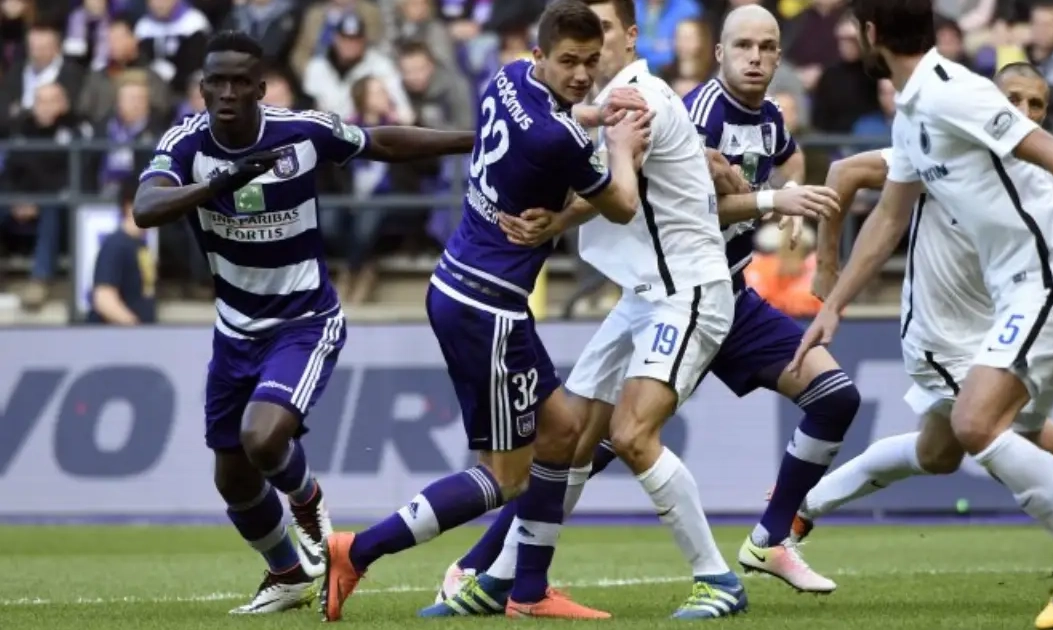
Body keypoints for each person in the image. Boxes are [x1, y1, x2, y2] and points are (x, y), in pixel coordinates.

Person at [789, 2, 1053, 628]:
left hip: (1049, 283)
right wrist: (834, 304)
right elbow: (890, 217)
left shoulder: (952, 92)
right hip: (1018, 295)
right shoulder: (915, 109)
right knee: (1005, 440)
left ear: (871, 34)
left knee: (978, 424)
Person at [433, 4, 853, 603]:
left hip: (697, 291)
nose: (589, 48)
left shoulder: (650, 102)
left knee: (629, 436)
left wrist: (773, 195)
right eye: (744, 45)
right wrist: (758, 192)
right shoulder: (645, 104)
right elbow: (631, 180)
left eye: (603, 31)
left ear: (630, 38)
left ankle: (734, 565)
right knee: (571, 440)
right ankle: (496, 574)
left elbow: (625, 194)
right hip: (653, 292)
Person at [317, 1, 649, 621]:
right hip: (486, 304)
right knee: (506, 475)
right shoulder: (558, 138)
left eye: (590, 61)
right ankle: (357, 551)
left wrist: (594, 115)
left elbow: (553, 122)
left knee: (561, 434)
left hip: (467, 284)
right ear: (541, 55)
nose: (582, 74)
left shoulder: (508, 76)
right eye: (569, 61)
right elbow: (623, 204)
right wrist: (622, 145)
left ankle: (529, 591)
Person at [134, 30, 476, 615]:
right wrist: (219, 184)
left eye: (241, 81)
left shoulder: (301, 131)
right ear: (202, 88)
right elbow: (145, 208)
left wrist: (475, 138)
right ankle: (287, 575)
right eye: (217, 81)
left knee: (263, 437)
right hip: (235, 330)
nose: (227, 92)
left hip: (304, 321)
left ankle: (308, 500)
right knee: (233, 479)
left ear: (261, 88)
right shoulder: (185, 143)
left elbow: (381, 141)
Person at [87, 178, 157, 325]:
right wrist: (136, 328)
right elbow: (104, 299)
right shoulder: (116, 245)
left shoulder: (141, 244)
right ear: (129, 206)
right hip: (118, 336)